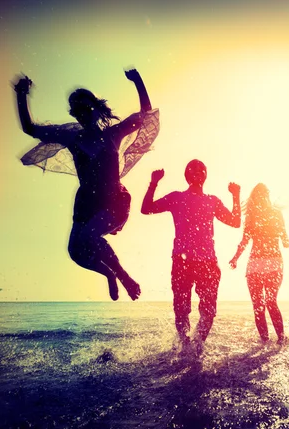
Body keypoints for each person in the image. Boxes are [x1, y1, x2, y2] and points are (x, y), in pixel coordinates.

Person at [14, 69, 159, 301]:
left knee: (89, 238)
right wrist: (21, 94)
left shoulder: (114, 134)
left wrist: (138, 81)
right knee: (76, 252)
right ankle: (109, 274)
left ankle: (124, 277)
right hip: (87, 203)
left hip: (114, 201)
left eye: (85, 108)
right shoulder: (72, 138)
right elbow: (30, 128)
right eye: (77, 111)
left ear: (95, 109)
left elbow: (145, 114)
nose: (82, 114)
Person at [141, 161, 241, 353]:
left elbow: (235, 222)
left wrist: (235, 196)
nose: (197, 172)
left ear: (205, 175)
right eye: (193, 169)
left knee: (209, 311)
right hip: (182, 262)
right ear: (187, 175)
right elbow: (146, 209)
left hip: (208, 263)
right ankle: (185, 345)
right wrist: (153, 183)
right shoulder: (176, 198)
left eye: (201, 169)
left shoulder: (212, 201)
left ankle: (198, 344)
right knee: (181, 309)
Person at [229, 184, 289, 344]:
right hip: (270, 263)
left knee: (261, 305)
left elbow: (244, 241)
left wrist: (236, 258)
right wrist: (235, 257)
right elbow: (285, 240)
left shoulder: (254, 216)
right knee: (268, 303)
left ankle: (269, 341)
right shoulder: (274, 214)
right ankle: (279, 340)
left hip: (260, 264)